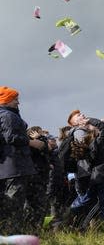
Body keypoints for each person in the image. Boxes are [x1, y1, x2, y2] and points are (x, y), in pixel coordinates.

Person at [0, 86, 45, 235]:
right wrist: (31, 142)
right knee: (14, 206)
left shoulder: (9, 114)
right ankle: (13, 236)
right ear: (5, 100)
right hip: (14, 167)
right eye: (14, 99)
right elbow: (11, 137)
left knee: (13, 205)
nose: (18, 102)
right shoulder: (7, 116)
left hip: (14, 166)